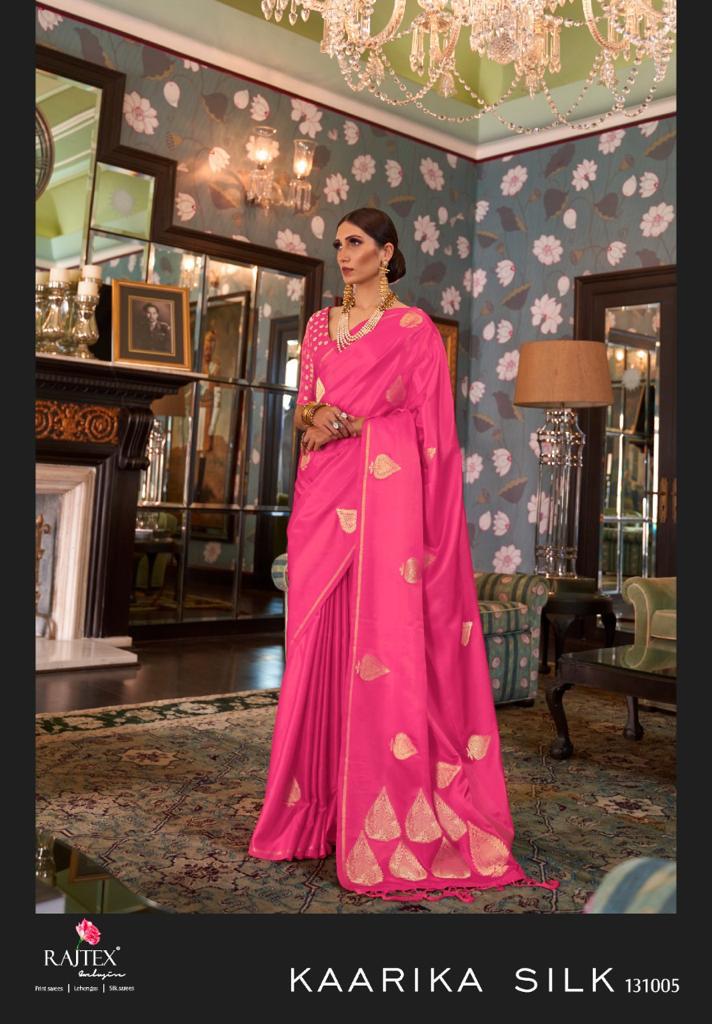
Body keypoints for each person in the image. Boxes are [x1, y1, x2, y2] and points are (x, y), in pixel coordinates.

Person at [248, 208, 557, 903]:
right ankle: (311, 811)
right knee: (314, 645)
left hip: (381, 500)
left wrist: (355, 425)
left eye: (356, 242)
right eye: (338, 243)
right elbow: (306, 405)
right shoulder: (319, 326)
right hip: (322, 495)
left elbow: (428, 432)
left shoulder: (412, 329)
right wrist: (314, 417)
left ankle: (376, 807)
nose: (343, 253)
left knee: (377, 644)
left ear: (387, 252)